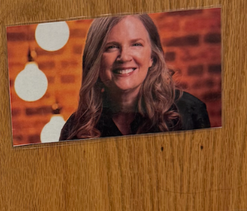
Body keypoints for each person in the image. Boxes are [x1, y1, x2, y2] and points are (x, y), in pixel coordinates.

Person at [60, 13, 210, 140]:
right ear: (96, 60)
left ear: (152, 56)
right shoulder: (74, 129)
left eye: (136, 44)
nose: (124, 57)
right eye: (111, 47)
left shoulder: (190, 111)